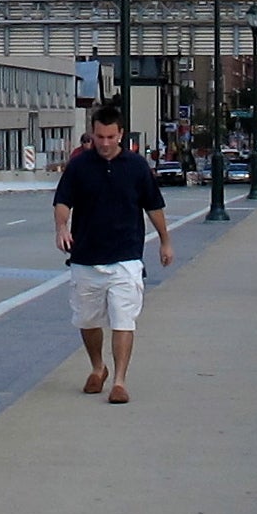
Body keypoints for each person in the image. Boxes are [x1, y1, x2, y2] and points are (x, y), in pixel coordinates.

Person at [53, 98, 173, 404]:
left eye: (110, 137)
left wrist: (165, 241)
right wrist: (62, 227)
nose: (104, 143)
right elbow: (63, 200)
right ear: (92, 134)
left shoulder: (136, 167)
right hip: (86, 257)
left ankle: (120, 381)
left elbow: (154, 206)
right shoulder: (80, 166)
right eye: (99, 137)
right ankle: (98, 367)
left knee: (123, 320)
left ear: (120, 134)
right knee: (88, 321)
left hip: (125, 257)